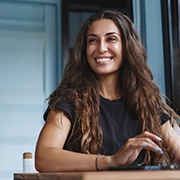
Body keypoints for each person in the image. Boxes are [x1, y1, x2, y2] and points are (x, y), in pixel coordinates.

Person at [35, 10, 180, 172]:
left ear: (126, 46)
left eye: (111, 39)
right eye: (92, 41)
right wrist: (111, 160)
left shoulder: (147, 102)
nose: (101, 48)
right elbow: (43, 157)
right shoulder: (69, 100)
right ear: (84, 50)